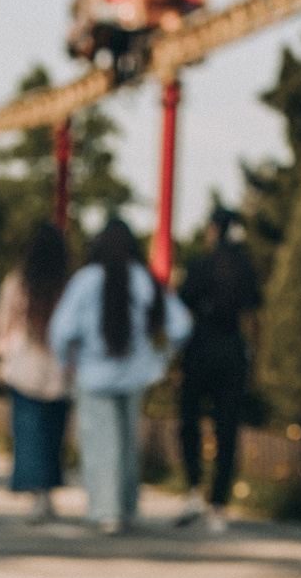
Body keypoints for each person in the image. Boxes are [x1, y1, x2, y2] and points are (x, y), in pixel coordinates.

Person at [50, 216, 192, 534]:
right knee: (127, 444)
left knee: (101, 443)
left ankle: (106, 510)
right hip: (135, 375)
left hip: (93, 373)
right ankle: (127, 507)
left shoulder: (87, 280)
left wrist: (65, 364)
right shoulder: (144, 280)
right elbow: (181, 325)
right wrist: (159, 358)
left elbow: (61, 330)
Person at [174, 210, 263, 532]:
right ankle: (218, 503)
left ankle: (194, 488)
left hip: (200, 349)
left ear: (213, 230)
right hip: (232, 352)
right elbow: (254, 314)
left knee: (190, 421)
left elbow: (181, 308)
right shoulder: (245, 269)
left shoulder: (200, 267)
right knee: (227, 429)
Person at [0, 222, 73, 521]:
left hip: (24, 365)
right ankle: (48, 489)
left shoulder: (18, 283)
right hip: (60, 369)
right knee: (53, 435)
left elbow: (4, 322)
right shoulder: (68, 285)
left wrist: (0, 353)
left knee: (28, 433)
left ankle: (36, 491)